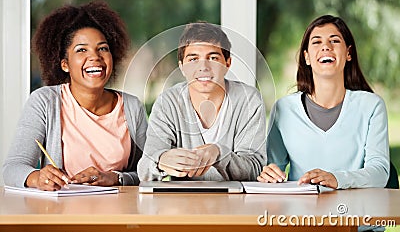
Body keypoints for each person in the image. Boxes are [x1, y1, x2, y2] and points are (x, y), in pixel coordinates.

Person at [3, 0, 147, 190]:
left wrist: (116, 178)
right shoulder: (45, 101)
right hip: (62, 214)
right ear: (65, 64)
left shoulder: (131, 106)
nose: (95, 56)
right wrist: (36, 177)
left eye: (103, 48)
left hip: (119, 214)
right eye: (81, 50)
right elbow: (12, 168)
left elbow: (147, 172)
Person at [257, 15, 390, 190]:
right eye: (317, 42)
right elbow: (274, 170)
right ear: (307, 57)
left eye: (334, 41)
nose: (326, 47)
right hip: (299, 214)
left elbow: (380, 173)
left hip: (355, 213)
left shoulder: (371, 106)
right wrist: (270, 174)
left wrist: (337, 179)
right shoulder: (283, 109)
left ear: (348, 53)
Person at [138, 22, 266, 181]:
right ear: (182, 67)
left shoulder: (248, 100)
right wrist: (160, 161)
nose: (203, 67)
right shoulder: (168, 102)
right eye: (193, 59)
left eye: (213, 58)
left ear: (227, 64)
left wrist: (219, 153)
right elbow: (144, 169)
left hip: (235, 200)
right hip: (183, 201)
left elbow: (255, 169)